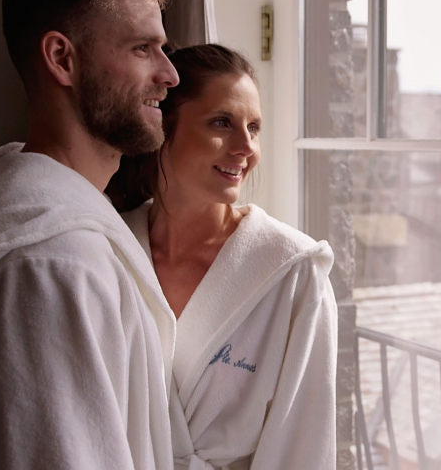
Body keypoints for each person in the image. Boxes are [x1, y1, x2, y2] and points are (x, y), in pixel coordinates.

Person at [0, 0, 180, 468]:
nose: (170, 74)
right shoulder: (49, 267)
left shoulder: (55, 225)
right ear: (62, 59)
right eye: (143, 48)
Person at [107, 44, 338, 470]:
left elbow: (304, 449)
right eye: (222, 123)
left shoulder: (292, 271)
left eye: (255, 127)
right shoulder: (109, 249)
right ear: (161, 128)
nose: (246, 147)